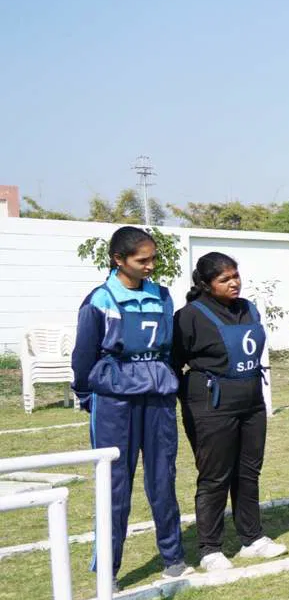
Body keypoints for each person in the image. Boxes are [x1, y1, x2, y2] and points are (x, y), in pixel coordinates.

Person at [70, 226, 190, 580]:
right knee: (114, 485)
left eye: (154, 258)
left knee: (163, 479)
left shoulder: (163, 296)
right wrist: (84, 394)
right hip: (114, 401)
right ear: (118, 260)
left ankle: (173, 557)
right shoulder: (100, 300)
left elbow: (169, 350)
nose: (151, 265)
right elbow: (83, 355)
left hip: (157, 398)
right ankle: (108, 569)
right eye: (143, 260)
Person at [172, 252, 287, 572]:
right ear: (206, 285)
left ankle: (253, 538)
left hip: (251, 403)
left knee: (248, 472)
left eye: (235, 276)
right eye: (224, 279)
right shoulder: (189, 316)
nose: (234, 283)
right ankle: (210, 548)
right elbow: (174, 361)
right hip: (211, 405)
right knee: (215, 476)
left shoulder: (248, 309)